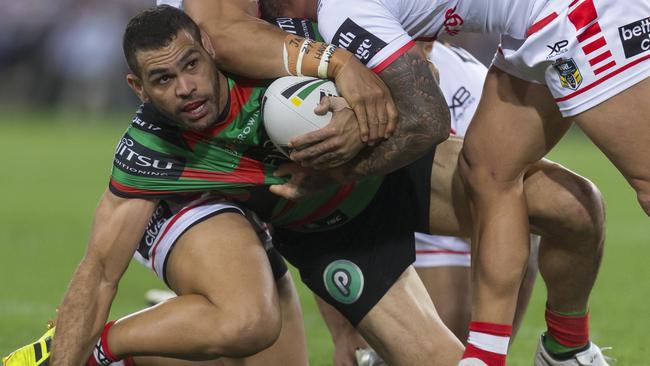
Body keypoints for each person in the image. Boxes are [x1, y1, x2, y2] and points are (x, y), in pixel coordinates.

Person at [5, 5, 461, 366]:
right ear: (137, 88)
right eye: (163, 79)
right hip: (186, 198)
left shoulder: (284, 57)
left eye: (191, 66)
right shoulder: (151, 150)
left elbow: (421, 82)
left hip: (278, 208)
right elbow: (101, 270)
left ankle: (147, 340)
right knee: (247, 320)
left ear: (210, 48)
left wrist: (361, 118)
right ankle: (96, 348)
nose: (186, 87)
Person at [230, 0, 645, 364]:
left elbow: (428, 120)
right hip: (528, 28)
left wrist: (340, 171)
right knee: (488, 172)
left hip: (580, 14)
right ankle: (494, 357)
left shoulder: (339, 11)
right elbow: (423, 61)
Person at [312, 40, 603, 366]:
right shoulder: (341, 63)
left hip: (449, 209)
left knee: (559, 204)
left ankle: (558, 350)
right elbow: (310, 209)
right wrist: (343, 332)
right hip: (367, 217)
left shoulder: (474, 81)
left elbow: (501, 192)